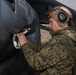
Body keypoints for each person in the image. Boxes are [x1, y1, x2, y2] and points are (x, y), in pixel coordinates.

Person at [16, 6, 76, 75]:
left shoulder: (61, 42)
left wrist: (24, 43)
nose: (49, 26)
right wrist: (27, 43)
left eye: (51, 22)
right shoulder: (68, 39)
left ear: (61, 20)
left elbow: (36, 62)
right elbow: (44, 50)